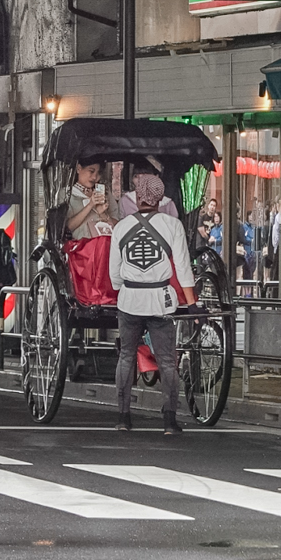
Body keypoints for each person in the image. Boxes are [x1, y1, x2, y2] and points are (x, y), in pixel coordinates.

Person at [109, 171, 194, 436]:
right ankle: (169, 420)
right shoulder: (172, 226)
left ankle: (123, 417)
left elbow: (114, 275)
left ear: (137, 198)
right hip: (161, 302)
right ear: (159, 198)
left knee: (126, 357)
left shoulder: (121, 228)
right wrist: (192, 304)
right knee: (167, 361)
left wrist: (127, 288)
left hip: (130, 301)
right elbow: (183, 269)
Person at [66, 161, 116, 239]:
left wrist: (103, 213)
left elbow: (116, 225)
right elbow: (68, 227)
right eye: (91, 171)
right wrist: (90, 205)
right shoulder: (67, 194)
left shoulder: (105, 193)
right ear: (79, 169)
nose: (94, 177)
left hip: (104, 245)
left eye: (98, 173)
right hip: (81, 247)